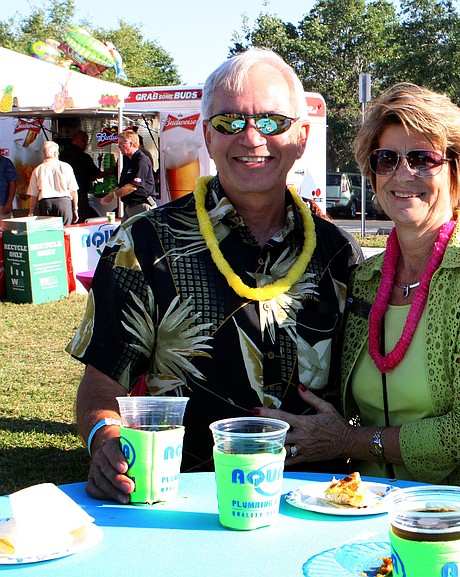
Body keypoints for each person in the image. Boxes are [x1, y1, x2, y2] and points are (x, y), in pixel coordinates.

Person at [68, 48, 363, 504]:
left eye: (271, 121)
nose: (250, 137)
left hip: (319, 500)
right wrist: (104, 440)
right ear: (207, 136)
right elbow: (102, 385)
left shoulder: (340, 254)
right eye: (229, 122)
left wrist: (347, 439)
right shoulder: (143, 243)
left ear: (301, 137)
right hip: (184, 501)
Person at [255, 83, 460, 502]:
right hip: (362, 510)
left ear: (457, 170)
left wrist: (351, 442)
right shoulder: (365, 277)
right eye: (387, 159)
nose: (403, 174)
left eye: (423, 159)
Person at [99, 130, 156, 218]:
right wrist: (109, 195)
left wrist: (112, 196)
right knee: (123, 231)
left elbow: (133, 186)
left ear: (131, 143)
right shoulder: (127, 160)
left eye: (121, 143)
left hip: (141, 206)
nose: (119, 146)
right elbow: (122, 185)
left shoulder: (141, 160)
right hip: (129, 207)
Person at [26, 140, 79, 225]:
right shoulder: (66, 167)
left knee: (49, 234)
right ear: (55, 153)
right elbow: (73, 190)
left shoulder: (38, 170)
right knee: (65, 232)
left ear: (44, 154)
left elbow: (33, 194)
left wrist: (31, 213)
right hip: (64, 203)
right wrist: (75, 208)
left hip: (46, 203)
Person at [59, 130, 103, 222]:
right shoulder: (84, 157)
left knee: (67, 222)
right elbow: (97, 174)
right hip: (80, 194)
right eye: (86, 142)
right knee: (81, 221)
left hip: (64, 195)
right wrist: (113, 170)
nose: (86, 145)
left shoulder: (62, 155)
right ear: (82, 141)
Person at [0, 154, 18, 219]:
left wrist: (9, 202)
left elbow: (12, 182)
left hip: (2, 205)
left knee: (4, 228)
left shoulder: (5, 162)